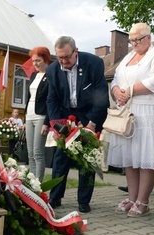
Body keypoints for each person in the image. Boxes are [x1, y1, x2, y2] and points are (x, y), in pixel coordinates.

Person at [108, 23, 154, 216]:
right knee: (131, 157)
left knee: (145, 158)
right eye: (131, 40)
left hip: (149, 111)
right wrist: (116, 90)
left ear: (148, 38)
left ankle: (143, 200)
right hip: (127, 111)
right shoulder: (128, 57)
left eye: (138, 39)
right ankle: (132, 197)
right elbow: (116, 78)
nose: (134, 43)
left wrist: (130, 91)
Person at [46, 36, 109, 213]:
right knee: (61, 158)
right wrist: (56, 125)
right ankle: (55, 197)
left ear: (76, 51)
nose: (64, 61)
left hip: (89, 115)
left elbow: (101, 96)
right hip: (66, 116)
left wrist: (92, 124)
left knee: (87, 159)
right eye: (60, 58)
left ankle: (84, 201)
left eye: (67, 57)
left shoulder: (94, 63)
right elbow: (52, 98)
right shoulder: (52, 70)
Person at [24, 46, 51, 182]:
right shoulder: (33, 75)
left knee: (38, 153)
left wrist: (47, 122)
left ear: (45, 60)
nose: (35, 64)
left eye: (38, 61)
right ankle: (30, 182)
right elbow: (29, 97)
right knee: (29, 153)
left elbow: (50, 100)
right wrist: (25, 117)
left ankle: (38, 184)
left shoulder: (50, 75)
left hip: (41, 116)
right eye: (33, 61)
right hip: (29, 115)